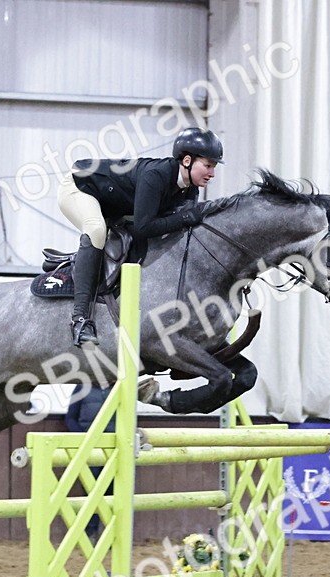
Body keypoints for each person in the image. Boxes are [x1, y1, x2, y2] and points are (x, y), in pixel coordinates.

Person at [57, 126, 223, 347]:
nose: (212, 173)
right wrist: (185, 218)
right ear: (186, 161)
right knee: (96, 230)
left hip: (114, 202)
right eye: (208, 165)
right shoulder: (156, 176)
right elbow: (144, 227)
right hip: (79, 189)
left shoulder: (189, 189)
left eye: (213, 167)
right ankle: (80, 321)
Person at [65, 385, 115, 541]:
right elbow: (70, 418)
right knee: (92, 492)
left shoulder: (120, 388)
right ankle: (89, 535)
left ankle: (112, 536)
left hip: (115, 448)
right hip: (91, 450)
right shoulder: (82, 387)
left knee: (114, 493)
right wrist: (84, 439)